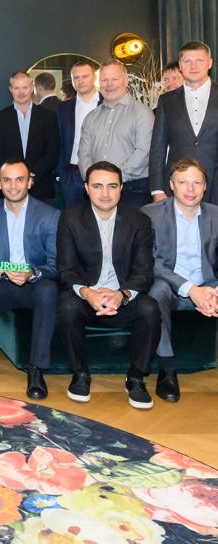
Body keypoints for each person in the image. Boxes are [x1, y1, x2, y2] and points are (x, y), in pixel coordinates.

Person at [56, 161, 160, 409]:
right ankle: (80, 374)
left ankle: (135, 377)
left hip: (122, 298)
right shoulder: (70, 218)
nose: (105, 193)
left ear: (121, 188)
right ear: (86, 188)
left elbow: (144, 272)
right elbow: (66, 270)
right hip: (86, 298)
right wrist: (88, 293)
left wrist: (121, 295)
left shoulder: (139, 221)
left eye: (112, 186)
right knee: (66, 306)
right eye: (98, 186)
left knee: (150, 308)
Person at [0, 159, 59, 399]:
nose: (13, 186)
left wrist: (32, 274)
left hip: (31, 286)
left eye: (19, 179)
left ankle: (36, 368)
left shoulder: (50, 215)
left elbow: (57, 266)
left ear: (30, 182)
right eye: (7, 180)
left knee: (48, 290)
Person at [142, 159, 218, 403]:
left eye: (197, 183)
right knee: (157, 290)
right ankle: (167, 370)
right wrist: (191, 289)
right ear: (172, 185)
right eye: (183, 182)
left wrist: (215, 291)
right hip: (173, 288)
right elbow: (150, 263)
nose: (190, 189)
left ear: (205, 187)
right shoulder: (150, 214)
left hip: (209, 285)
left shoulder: (216, 215)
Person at [78, 61, 154, 208]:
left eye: (114, 79)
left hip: (133, 190)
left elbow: (144, 152)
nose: (109, 84)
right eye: (104, 80)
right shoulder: (91, 117)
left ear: (126, 81)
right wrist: (94, 180)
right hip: (98, 191)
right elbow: (83, 154)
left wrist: (115, 179)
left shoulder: (142, 113)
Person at [149, 41, 218, 203]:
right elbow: (157, 148)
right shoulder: (166, 101)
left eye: (199, 60)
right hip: (177, 186)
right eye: (187, 61)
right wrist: (157, 189)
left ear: (210, 63)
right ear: (180, 65)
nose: (193, 66)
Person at [0, 71, 59, 201]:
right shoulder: (0, 117)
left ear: (32, 87)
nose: (21, 92)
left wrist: (32, 176)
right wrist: (14, 176)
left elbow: (53, 152)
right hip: (10, 186)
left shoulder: (48, 117)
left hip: (40, 184)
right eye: (16, 88)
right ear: (10, 90)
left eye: (25, 87)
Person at [57, 61, 101, 208]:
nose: (80, 81)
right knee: (73, 221)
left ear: (94, 77)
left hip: (101, 171)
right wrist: (61, 173)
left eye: (85, 76)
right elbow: (59, 141)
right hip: (71, 172)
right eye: (76, 77)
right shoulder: (63, 108)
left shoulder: (107, 103)